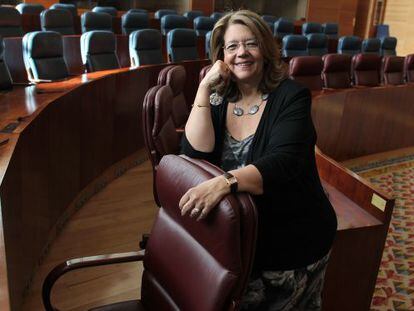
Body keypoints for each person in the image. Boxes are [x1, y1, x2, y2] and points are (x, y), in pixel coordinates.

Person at [179, 10, 337, 311]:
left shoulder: (291, 97)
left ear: (265, 48)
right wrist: (203, 88)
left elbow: (284, 162)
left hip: (293, 238)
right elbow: (194, 155)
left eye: (250, 43)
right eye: (232, 46)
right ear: (221, 56)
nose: (242, 53)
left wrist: (225, 183)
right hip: (241, 239)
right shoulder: (219, 97)